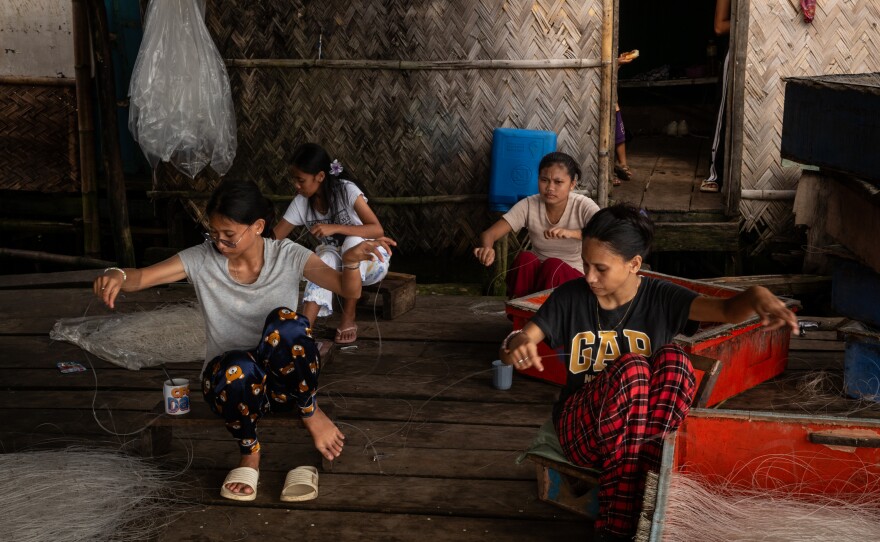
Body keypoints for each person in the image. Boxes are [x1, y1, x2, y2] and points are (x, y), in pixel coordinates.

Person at [499, 203, 798, 540]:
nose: (589, 277)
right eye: (585, 264)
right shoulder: (571, 297)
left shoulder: (660, 297)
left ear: (634, 264)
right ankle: (631, 517)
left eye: (600, 268)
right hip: (582, 428)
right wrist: (518, 343)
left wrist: (755, 295)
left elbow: (727, 310)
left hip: (635, 435)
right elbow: (516, 345)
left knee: (674, 360)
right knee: (634, 369)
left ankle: (619, 511)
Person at [93, 179, 395, 501]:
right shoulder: (201, 258)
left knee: (287, 324)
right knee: (236, 365)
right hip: (230, 388)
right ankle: (250, 452)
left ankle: (310, 411)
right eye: (213, 234)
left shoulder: (288, 255)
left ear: (257, 226)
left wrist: (350, 261)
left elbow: (347, 289)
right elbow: (141, 276)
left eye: (228, 235)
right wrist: (117, 274)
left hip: (285, 388)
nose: (219, 244)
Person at [274, 143, 390, 345]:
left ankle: (348, 318)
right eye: (294, 179)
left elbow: (377, 230)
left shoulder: (347, 191)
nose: (296, 185)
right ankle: (304, 330)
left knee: (352, 244)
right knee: (323, 257)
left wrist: (336, 228)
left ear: (320, 176)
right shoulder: (301, 202)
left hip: (371, 262)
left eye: (300, 180)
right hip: (336, 267)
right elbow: (275, 238)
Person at [474, 151, 600, 299]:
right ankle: (521, 315)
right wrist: (487, 249)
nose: (550, 188)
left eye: (558, 182)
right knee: (525, 259)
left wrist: (571, 233)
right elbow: (489, 234)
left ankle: (550, 317)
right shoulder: (529, 204)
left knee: (552, 266)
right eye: (544, 180)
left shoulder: (583, 205)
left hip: (572, 280)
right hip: (538, 279)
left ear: (572, 184)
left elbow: (608, 232)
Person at [700, 0, 731, 193]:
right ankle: (715, 174)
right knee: (725, 112)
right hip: (738, 52)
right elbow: (719, 27)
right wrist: (746, 20)